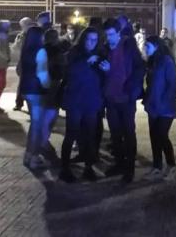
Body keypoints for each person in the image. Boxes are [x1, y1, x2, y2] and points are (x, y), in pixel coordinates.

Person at [101, 18, 145, 183]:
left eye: (111, 34)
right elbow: (105, 70)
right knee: (115, 134)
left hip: (126, 98)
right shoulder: (105, 48)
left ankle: (129, 168)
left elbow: (139, 68)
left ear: (119, 33)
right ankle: (119, 163)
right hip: (111, 98)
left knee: (128, 133)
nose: (109, 38)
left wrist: (133, 90)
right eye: (106, 35)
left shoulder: (129, 46)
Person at [59, 27, 104, 182]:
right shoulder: (74, 53)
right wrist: (86, 62)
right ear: (83, 39)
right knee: (71, 133)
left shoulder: (98, 54)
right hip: (76, 101)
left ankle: (88, 167)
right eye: (89, 39)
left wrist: (107, 70)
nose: (92, 43)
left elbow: (101, 78)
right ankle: (64, 169)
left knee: (90, 135)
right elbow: (70, 73)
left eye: (95, 40)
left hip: (91, 101)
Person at [142, 36, 176, 182]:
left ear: (156, 46)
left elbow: (172, 85)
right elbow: (149, 84)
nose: (145, 49)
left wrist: (164, 102)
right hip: (152, 106)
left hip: (165, 107)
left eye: (147, 46)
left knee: (162, 136)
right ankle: (157, 166)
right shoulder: (151, 62)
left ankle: (171, 165)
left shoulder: (167, 62)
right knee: (154, 137)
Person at [19, 26, 51, 169]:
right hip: (36, 90)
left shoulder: (25, 51)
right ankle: (33, 157)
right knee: (37, 125)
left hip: (26, 88)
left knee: (34, 124)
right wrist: (49, 86)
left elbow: (20, 70)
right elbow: (42, 73)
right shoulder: (41, 51)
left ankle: (28, 154)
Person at [42, 28, 65, 160]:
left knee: (45, 113)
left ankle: (43, 139)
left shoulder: (40, 50)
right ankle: (44, 140)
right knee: (51, 112)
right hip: (53, 84)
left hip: (42, 85)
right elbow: (61, 68)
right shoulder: (57, 51)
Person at [12, 17, 35, 111]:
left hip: (32, 62)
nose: (22, 27)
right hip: (23, 62)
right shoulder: (21, 35)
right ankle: (19, 103)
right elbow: (16, 48)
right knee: (22, 84)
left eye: (23, 25)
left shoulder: (35, 33)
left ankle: (29, 105)